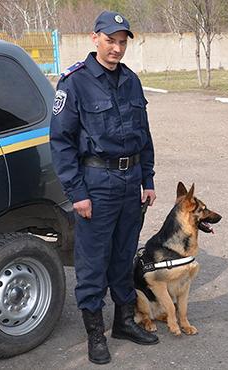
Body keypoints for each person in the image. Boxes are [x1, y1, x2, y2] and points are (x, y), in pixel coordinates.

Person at [49, 10, 158, 365]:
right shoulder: (74, 82)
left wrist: (148, 179)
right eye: (110, 40)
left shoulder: (131, 81)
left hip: (131, 182)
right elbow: (61, 143)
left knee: (125, 254)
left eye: (122, 41)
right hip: (95, 184)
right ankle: (95, 333)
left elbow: (144, 133)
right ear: (94, 38)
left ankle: (124, 321)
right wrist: (77, 193)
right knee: (93, 261)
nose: (117, 48)